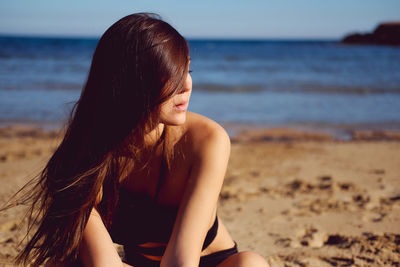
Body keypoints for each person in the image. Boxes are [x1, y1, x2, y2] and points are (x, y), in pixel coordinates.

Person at [15, 13, 270, 267]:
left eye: (187, 69)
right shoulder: (84, 158)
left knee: (251, 264)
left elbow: (181, 262)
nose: (186, 85)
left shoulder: (206, 140)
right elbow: (104, 264)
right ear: (130, 81)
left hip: (206, 263)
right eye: (171, 73)